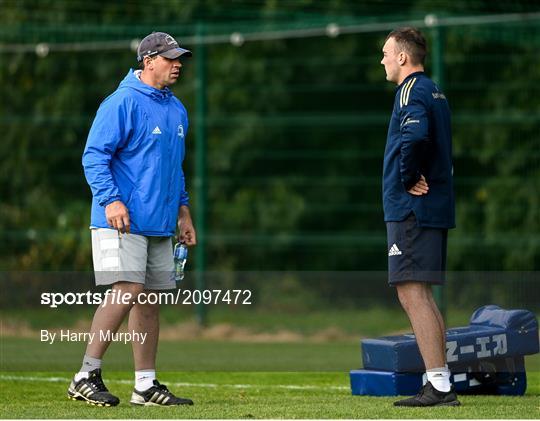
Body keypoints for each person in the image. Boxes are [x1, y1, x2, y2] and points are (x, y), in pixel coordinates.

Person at [70, 32, 197, 407]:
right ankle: (85, 374)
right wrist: (110, 201)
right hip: (120, 220)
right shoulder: (122, 101)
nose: (177, 64)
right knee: (127, 290)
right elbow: (94, 156)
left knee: (149, 300)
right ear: (148, 61)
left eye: (180, 58)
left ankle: (145, 385)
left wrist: (183, 211)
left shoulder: (177, 108)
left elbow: (174, 168)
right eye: (170, 58)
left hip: (159, 222)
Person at [380, 27, 459, 407]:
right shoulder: (434, 90)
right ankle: (440, 379)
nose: (382, 60)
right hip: (432, 208)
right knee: (421, 292)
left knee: (411, 291)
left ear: (402, 57)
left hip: (413, 209)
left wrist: (408, 177)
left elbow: (414, 136)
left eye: (385, 53)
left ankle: (439, 385)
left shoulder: (411, 91)